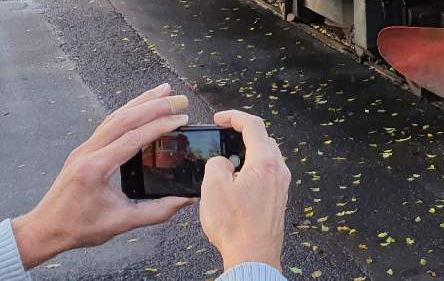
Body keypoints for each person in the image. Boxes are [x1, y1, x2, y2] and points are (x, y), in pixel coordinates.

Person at [0, 83, 292, 280]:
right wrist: (254, 258)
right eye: (167, 149)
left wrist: (38, 234)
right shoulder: (170, 170)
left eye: (173, 148)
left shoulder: (181, 167)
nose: (172, 153)